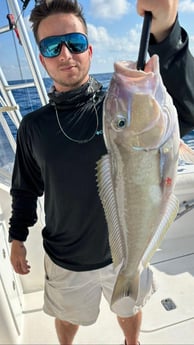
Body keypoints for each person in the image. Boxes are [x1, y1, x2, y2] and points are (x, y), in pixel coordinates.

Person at [9, 1, 194, 344]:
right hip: (65, 258)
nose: (66, 54)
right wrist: (17, 237)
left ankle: (132, 342)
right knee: (66, 317)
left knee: (129, 307)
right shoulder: (33, 127)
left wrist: (167, 34)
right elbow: (24, 188)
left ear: (89, 51)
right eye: (52, 46)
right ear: (42, 58)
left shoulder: (116, 106)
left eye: (75, 44)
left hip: (124, 254)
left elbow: (185, 109)